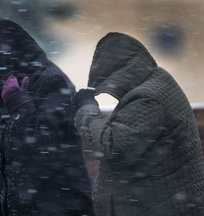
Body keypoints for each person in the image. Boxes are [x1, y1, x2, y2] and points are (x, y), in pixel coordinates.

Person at [73, 32, 204, 216]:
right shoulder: (157, 82)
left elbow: (112, 146)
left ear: (120, 76)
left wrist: (86, 107)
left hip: (159, 206)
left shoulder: (147, 98)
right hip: (167, 203)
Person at [0, 18, 95, 216]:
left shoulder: (52, 81)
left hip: (57, 205)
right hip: (25, 205)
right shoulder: (11, 85)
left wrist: (17, 101)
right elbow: (8, 149)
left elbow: (47, 146)